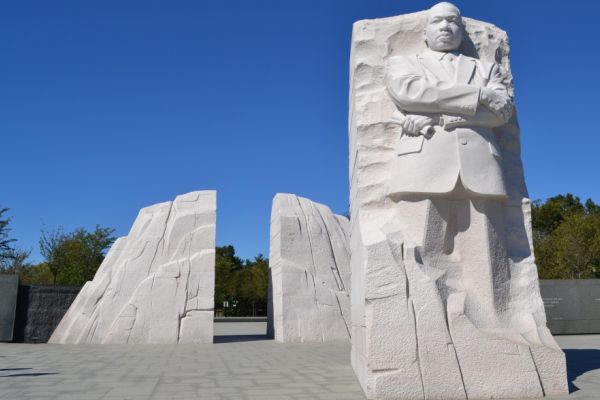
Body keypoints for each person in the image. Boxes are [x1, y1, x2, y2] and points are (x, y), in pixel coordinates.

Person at [385, 2, 514, 328]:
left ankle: (494, 326)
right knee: (421, 252)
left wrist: (441, 114)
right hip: (424, 165)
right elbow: (410, 92)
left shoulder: (487, 68)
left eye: (453, 22)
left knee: (487, 259)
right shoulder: (404, 63)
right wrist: (476, 98)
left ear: (462, 30)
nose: (445, 27)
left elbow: (501, 111)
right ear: (425, 32)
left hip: (481, 167)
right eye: (437, 21)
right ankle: (425, 326)